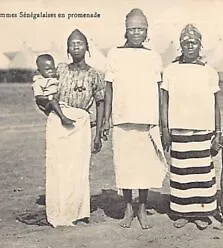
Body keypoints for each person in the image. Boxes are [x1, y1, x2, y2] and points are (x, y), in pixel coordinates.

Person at [103, 8, 167, 230]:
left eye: (141, 29)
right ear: (126, 31)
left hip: (147, 119)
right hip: (122, 119)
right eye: (132, 29)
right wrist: (106, 118)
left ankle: (142, 207)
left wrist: (161, 121)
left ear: (147, 31)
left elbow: (160, 92)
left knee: (145, 166)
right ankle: (128, 207)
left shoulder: (153, 56)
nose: (136, 33)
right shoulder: (115, 54)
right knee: (125, 166)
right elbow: (109, 89)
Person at [35, 29, 105, 227]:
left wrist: (98, 133)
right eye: (72, 43)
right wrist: (50, 111)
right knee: (57, 167)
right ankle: (59, 211)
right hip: (58, 120)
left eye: (80, 43)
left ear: (87, 47)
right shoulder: (61, 70)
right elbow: (43, 90)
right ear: (67, 48)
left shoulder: (95, 75)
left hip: (81, 123)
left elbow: (100, 104)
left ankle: (76, 211)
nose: (76, 46)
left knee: (78, 168)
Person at [160, 24, 221, 230]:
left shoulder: (209, 72)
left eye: (193, 42)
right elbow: (164, 102)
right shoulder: (170, 70)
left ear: (200, 45)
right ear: (180, 45)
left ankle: (202, 213)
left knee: (202, 173)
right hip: (178, 130)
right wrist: (165, 129)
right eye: (185, 43)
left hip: (203, 130)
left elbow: (216, 103)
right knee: (182, 173)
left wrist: (218, 133)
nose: (189, 46)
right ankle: (182, 212)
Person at [32, 54, 75, 126]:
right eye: (47, 69)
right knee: (53, 101)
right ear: (39, 71)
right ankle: (63, 118)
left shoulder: (55, 78)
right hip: (47, 104)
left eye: (52, 68)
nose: (51, 71)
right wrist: (49, 98)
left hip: (58, 100)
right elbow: (38, 97)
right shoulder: (38, 82)